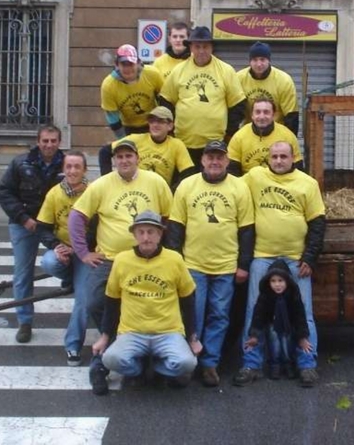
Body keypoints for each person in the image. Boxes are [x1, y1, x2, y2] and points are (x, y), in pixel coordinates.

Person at [68, 139, 172, 389]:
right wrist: (83, 253)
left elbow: (169, 217)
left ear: (137, 158)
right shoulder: (102, 185)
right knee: (93, 301)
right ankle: (114, 339)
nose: (124, 161)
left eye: (129, 156)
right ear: (114, 161)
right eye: (120, 157)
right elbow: (77, 216)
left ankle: (142, 353)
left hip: (145, 258)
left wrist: (164, 250)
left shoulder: (155, 182)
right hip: (110, 259)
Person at [234, 141, 325, 388]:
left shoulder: (307, 183)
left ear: (293, 157)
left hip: (295, 258)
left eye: (283, 156)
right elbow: (230, 188)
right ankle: (251, 363)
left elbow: (317, 223)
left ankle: (307, 364)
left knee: (303, 311)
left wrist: (310, 257)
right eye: (274, 156)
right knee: (255, 309)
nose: (278, 161)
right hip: (262, 255)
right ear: (268, 159)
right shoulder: (255, 176)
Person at [165, 140, 254, 387]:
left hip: (226, 266)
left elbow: (247, 229)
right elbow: (175, 228)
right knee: (193, 315)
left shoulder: (239, 187)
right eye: (210, 157)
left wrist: (243, 264)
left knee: (219, 315)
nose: (215, 161)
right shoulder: (186, 185)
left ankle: (210, 363)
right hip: (193, 265)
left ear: (227, 161)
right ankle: (189, 360)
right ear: (202, 160)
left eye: (219, 157)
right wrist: (176, 262)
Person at [90, 210, 202, 395]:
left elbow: (188, 301)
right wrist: (105, 336)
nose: (146, 237)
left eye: (151, 232)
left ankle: (158, 368)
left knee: (187, 363)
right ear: (134, 235)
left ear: (160, 234)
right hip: (132, 331)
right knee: (111, 359)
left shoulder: (174, 259)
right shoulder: (122, 260)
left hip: (168, 332)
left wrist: (192, 338)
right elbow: (112, 301)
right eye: (141, 232)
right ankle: (139, 369)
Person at [0, 125, 65, 343]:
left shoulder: (68, 163)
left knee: (66, 261)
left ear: (59, 142)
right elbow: (5, 191)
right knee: (23, 274)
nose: (49, 145)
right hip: (24, 224)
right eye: (45, 141)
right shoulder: (20, 162)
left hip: (55, 225)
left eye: (53, 141)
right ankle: (24, 321)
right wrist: (23, 218)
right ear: (38, 141)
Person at [159, 27, 246, 166]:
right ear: (191, 48)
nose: (201, 51)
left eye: (205, 46)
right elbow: (166, 102)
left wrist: (228, 133)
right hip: (183, 142)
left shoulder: (226, 70)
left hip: (216, 144)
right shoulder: (178, 71)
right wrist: (172, 129)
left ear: (212, 47)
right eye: (197, 46)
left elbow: (238, 105)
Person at [36, 151, 91, 365]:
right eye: (69, 166)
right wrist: (57, 246)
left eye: (77, 166)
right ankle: (70, 277)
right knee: (48, 261)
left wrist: (82, 249)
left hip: (85, 251)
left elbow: (100, 225)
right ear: (63, 169)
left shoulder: (94, 191)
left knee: (83, 300)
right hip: (63, 249)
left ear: (84, 169)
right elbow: (43, 228)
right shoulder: (54, 194)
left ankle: (73, 345)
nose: (73, 171)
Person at [244, 259, 312, 382]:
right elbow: (258, 315)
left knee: (287, 344)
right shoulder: (265, 296)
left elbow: (300, 316)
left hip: (288, 324)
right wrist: (254, 335)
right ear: (268, 282)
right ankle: (274, 365)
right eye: (273, 281)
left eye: (281, 281)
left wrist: (302, 336)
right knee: (274, 343)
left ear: (287, 282)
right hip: (272, 324)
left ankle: (289, 364)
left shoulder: (293, 295)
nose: (277, 284)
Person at [98, 106, 196, 187]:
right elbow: (104, 152)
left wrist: (174, 191)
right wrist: (108, 182)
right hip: (134, 189)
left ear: (170, 125)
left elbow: (188, 173)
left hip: (161, 192)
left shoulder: (176, 144)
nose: (155, 125)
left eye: (160, 121)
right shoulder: (136, 139)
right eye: (152, 121)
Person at [100, 44, 164, 139]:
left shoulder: (152, 74)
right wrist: (123, 139)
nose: (127, 68)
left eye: (131, 64)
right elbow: (112, 117)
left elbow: (165, 100)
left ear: (138, 62)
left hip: (153, 122)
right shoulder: (109, 85)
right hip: (127, 126)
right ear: (117, 65)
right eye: (123, 64)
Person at [228, 97, 303, 176]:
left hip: (279, 184)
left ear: (273, 115)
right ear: (252, 115)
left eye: (266, 112)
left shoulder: (288, 136)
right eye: (258, 112)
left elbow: (297, 170)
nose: (262, 116)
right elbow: (232, 172)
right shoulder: (239, 137)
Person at [237, 41, 299, 135]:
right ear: (249, 61)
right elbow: (234, 112)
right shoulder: (238, 78)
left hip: (276, 133)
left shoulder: (284, 80)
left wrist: (289, 141)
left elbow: (291, 116)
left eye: (262, 59)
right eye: (255, 60)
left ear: (269, 60)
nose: (259, 64)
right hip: (248, 134)